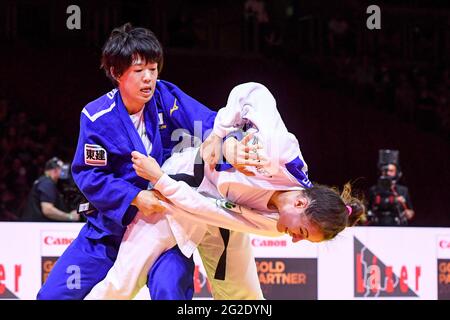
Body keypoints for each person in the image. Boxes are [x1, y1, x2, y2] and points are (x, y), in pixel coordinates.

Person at [85, 82, 365, 300]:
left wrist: (158, 179)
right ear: (302, 203)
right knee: (123, 282)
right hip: (182, 182)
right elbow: (253, 91)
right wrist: (218, 135)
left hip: (206, 205)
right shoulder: (282, 155)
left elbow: (209, 210)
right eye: (302, 233)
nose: (293, 240)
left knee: (245, 299)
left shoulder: (273, 225)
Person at [37, 23, 243, 300]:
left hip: (163, 230)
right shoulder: (97, 118)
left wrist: (223, 138)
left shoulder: (165, 98)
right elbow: (90, 175)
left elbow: (208, 123)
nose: (148, 78)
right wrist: (135, 197)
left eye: (153, 68)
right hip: (107, 232)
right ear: (116, 73)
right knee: (53, 296)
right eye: (138, 70)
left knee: (170, 291)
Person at [21, 157, 80, 222]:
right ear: (55, 170)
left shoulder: (43, 181)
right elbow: (47, 210)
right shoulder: (47, 183)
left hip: (35, 225)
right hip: (38, 227)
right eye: (62, 170)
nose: (64, 172)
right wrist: (70, 216)